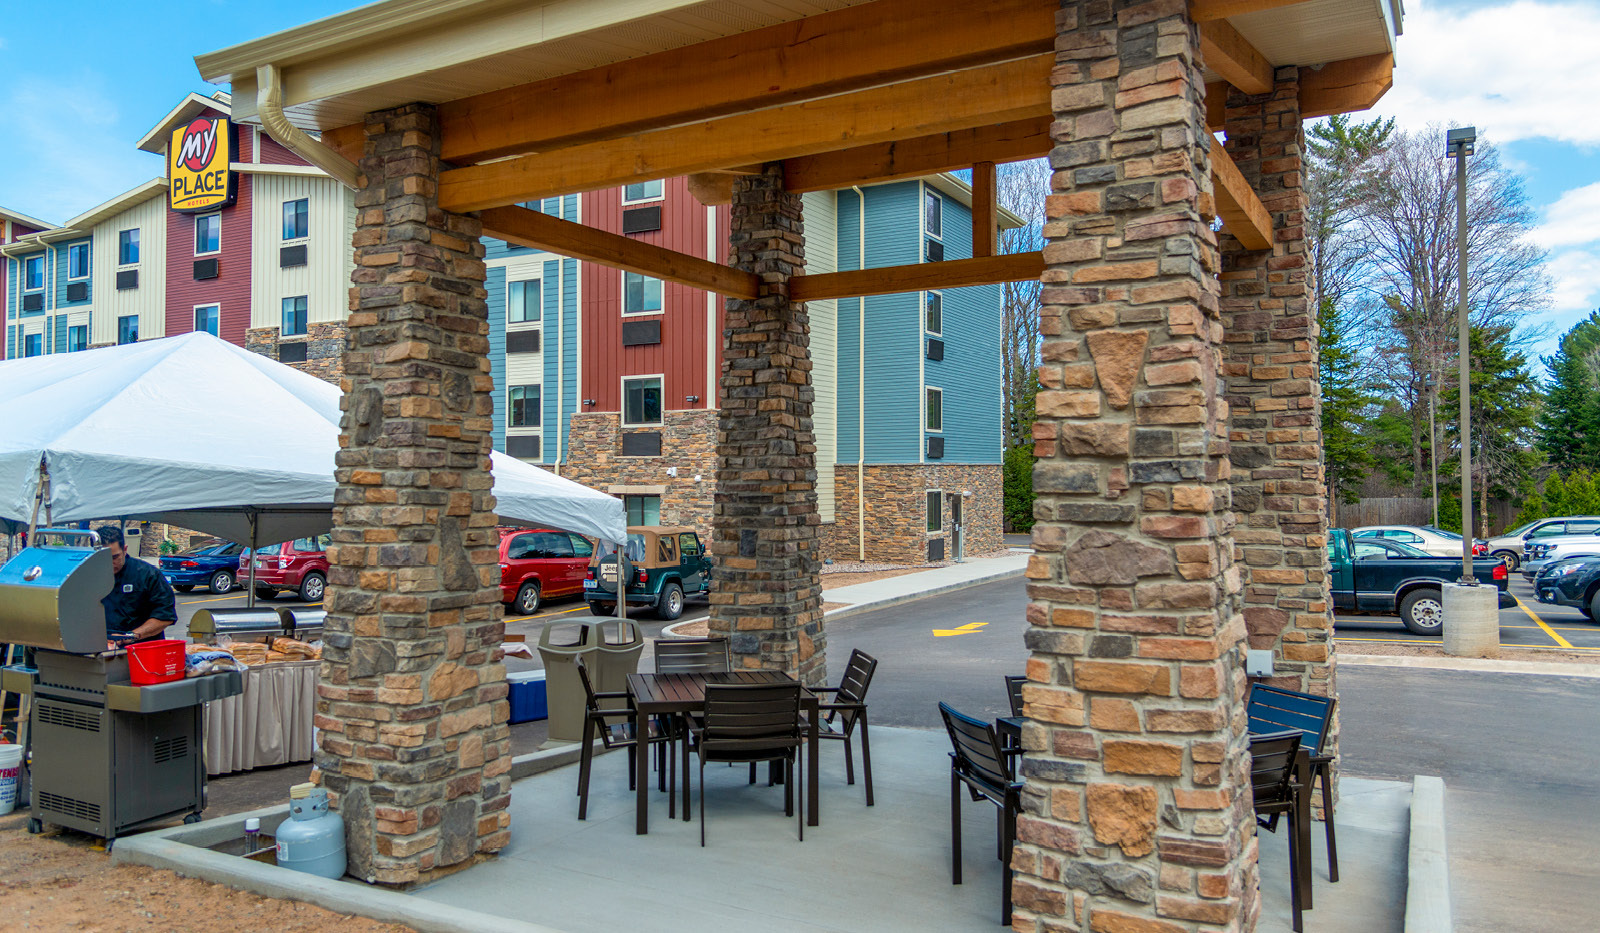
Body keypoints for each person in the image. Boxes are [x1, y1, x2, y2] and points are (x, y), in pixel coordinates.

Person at [97, 525, 177, 648]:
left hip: (143, 650)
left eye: (114, 557)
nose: (109, 563)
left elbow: (165, 616)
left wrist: (131, 636)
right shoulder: (89, 577)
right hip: (102, 649)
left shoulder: (148, 574)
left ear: (125, 549)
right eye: (103, 558)